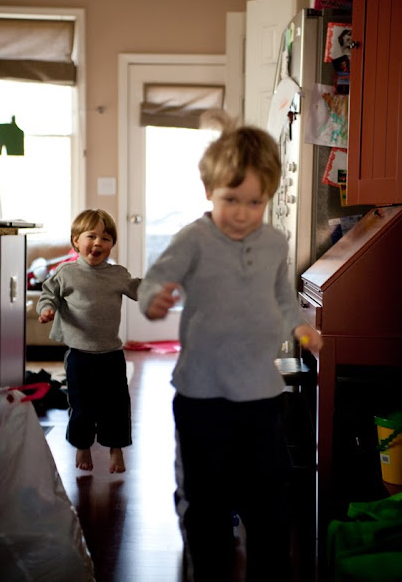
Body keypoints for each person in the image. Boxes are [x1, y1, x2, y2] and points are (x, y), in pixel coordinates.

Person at [137, 111, 323, 582]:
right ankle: (209, 569)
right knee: (206, 499)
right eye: (231, 200)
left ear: (269, 197)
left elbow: (282, 295)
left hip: (262, 395)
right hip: (203, 396)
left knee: (269, 499)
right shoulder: (194, 239)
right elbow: (155, 278)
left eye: (255, 202)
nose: (242, 213)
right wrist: (153, 299)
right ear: (209, 191)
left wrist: (300, 327)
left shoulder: (275, 243)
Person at [37, 208, 140, 474]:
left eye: (105, 238)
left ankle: (116, 449)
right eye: (91, 236)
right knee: (82, 405)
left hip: (111, 353)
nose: (98, 243)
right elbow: (48, 294)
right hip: (79, 354)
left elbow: (138, 289)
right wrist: (46, 309)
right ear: (76, 241)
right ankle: (82, 445)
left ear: (112, 244)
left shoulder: (117, 274)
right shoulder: (67, 273)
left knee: (117, 406)